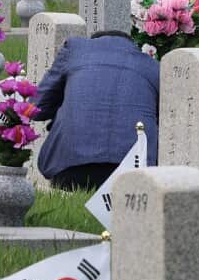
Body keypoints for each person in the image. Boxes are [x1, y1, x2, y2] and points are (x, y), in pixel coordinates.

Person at [32, 30, 159, 191]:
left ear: (93, 41)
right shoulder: (152, 65)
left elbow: (37, 107)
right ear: (133, 45)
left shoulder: (75, 49)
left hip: (70, 165)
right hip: (132, 167)